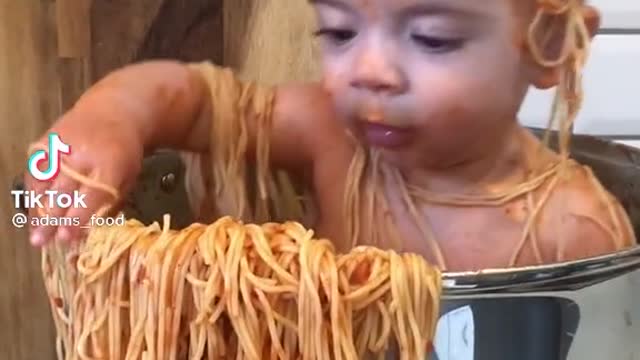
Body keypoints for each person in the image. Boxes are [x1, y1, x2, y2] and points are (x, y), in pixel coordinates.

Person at [25, 0, 636, 271]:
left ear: (549, 43)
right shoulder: (336, 138)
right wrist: (106, 119)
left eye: (432, 38)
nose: (370, 71)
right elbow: (194, 101)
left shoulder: (575, 229)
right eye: (340, 32)